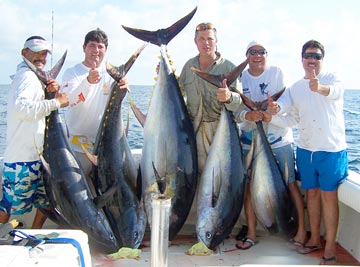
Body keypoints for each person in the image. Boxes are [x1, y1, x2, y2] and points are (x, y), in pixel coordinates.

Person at [268, 39, 348, 265]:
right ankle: (314, 238)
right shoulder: (295, 87)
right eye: (308, 56)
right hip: (305, 149)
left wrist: (319, 87)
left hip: (331, 150)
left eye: (317, 56)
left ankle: (330, 245)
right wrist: (272, 112)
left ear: (323, 60)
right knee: (311, 194)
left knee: (328, 196)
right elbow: (289, 114)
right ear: (301, 59)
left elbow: (335, 92)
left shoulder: (332, 78)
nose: (312, 60)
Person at [234, 41, 306, 250]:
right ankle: (251, 233)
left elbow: (286, 104)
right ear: (246, 55)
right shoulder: (241, 77)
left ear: (267, 54)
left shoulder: (277, 72)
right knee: (249, 186)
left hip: (279, 139)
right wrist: (249, 114)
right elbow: (236, 112)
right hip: (249, 139)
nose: (257, 55)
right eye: (253, 52)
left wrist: (273, 110)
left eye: (262, 52)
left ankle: (301, 231)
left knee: (290, 184)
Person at [0, 36, 69, 228]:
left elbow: (37, 107)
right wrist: (57, 102)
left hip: (37, 157)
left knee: (46, 201)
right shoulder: (27, 76)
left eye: (45, 53)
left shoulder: (33, 76)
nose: (42, 57)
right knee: (9, 205)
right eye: (37, 52)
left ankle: (34, 232)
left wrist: (50, 92)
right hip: (22, 159)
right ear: (24, 53)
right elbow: (22, 108)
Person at [61, 28, 130, 176]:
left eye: (100, 47)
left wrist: (123, 88)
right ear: (84, 48)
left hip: (106, 148)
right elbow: (69, 101)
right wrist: (87, 82)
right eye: (92, 45)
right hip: (77, 148)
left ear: (106, 50)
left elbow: (115, 105)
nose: (96, 50)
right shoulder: (72, 73)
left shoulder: (111, 74)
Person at [178, 22, 243, 175]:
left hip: (222, 129)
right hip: (195, 129)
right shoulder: (188, 66)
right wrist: (165, 77)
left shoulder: (228, 68)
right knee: (197, 176)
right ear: (195, 42)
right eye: (201, 39)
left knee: (223, 176)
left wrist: (229, 97)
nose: (206, 43)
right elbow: (179, 92)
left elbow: (239, 102)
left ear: (216, 41)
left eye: (210, 39)